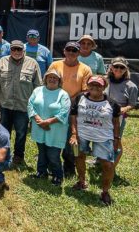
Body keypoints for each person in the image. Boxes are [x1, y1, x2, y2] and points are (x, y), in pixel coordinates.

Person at [70, 76, 121, 206]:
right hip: (83, 134)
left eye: (98, 85)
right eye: (92, 84)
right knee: (79, 157)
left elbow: (116, 122)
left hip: (103, 137)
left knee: (107, 165)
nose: (95, 88)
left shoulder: (112, 103)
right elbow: (74, 117)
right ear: (87, 85)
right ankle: (81, 181)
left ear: (104, 87)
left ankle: (105, 191)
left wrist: (116, 138)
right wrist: (74, 134)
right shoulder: (80, 98)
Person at [0, 40, 42, 165]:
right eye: (14, 49)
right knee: (3, 132)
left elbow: (38, 86)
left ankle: (18, 156)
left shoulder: (32, 63)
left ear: (23, 50)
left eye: (19, 49)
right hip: (5, 104)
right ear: (10, 50)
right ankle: (4, 154)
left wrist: (36, 106)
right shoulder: (2, 61)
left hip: (23, 106)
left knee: (21, 133)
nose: (16, 52)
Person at [47, 41, 93, 177]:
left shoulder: (85, 69)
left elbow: (85, 91)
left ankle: (69, 165)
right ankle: (52, 163)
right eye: (69, 50)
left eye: (75, 50)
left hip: (74, 108)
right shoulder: (55, 65)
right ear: (64, 51)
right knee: (53, 135)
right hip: (55, 105)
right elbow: (48, 82)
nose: (71, 53)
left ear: (79, 53)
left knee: (72, 138)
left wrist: (69, 100)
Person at [27, 68, 71, 185]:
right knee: (41, 151)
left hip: (55, 129)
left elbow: (64, 112)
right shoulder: (37, 90)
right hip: (39, 126)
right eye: (49, 77)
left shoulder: (63, 94)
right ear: (45, 79)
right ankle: (41, 172)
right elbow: (30, 105)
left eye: (55, 78)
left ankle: (58, 175)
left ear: (59, 80)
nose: (52, 79)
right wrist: (38, 120)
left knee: (53, 154)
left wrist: (48, 122)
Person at [105, 56, 138, 166]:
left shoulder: (131, 86)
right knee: (102, 138)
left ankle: (112, 165)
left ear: (126, 70)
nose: (118, 69)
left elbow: (132, 104)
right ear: (111, 67)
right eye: (116, 66)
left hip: (118, 117)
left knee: (115, 139)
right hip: (103, 115)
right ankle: (99, 161)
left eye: (121, 67)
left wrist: (124, 109)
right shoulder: (105, 81)